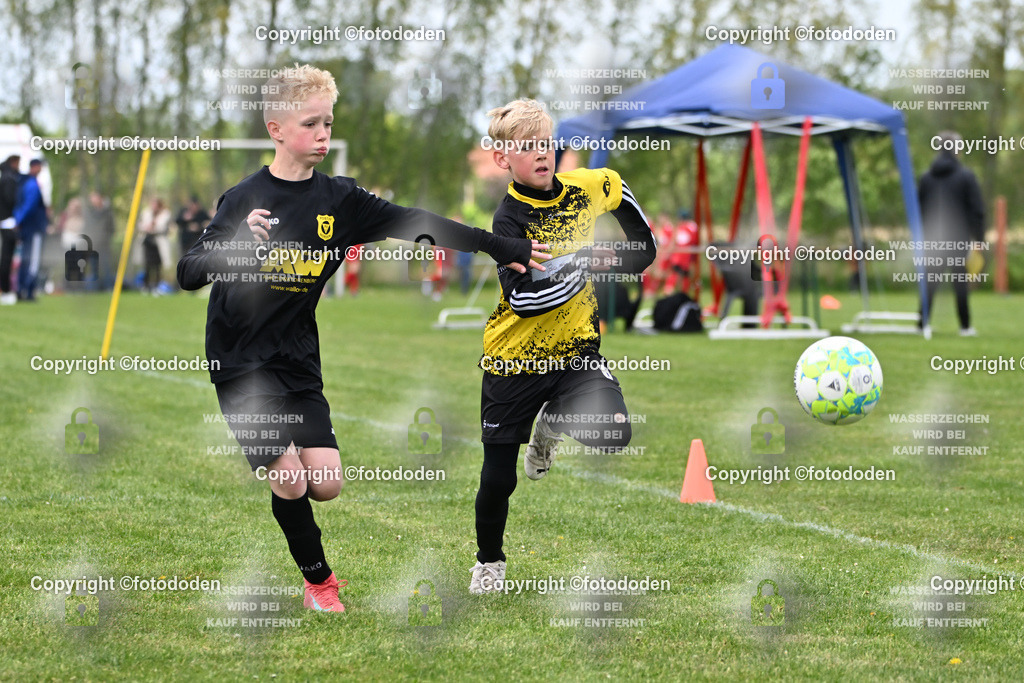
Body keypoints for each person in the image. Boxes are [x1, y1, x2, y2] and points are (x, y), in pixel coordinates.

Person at [176, 64, 548, 613]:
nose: (323, 134)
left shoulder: (342, 200)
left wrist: (500, 246)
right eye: (311, 124)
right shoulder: (244, 199)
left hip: (297, 359)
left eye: (328, 122)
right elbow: (189, 272)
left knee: (325, 483)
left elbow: (416, 221)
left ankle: (306, 527)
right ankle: (320, 584)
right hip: (239, 360)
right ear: (276, 128)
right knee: (288, 479)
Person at [470, 99, 656, 594]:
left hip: (576, 350)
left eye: (546, 142)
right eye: (526, 146)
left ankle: (551, 424)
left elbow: (644, 250)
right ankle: (489, 564)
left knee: (615, 431)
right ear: (502, 159)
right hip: (515, 359)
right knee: (498, 477)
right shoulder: (507, 221)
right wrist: (584, 261)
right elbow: (528, 299)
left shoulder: (589, 187)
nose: (541, 153)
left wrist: (612, 260)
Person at [918, 131, 986, 337]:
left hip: (932, 238)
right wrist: (979, 238)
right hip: (958, 238)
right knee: (960, 282)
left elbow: (918, 208)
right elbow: (977, 210)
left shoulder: (926, 177)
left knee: (930, 282)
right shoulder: (966, 176)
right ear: (956, 149)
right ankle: (965, 327)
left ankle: (922, 323)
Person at [13, 159, 49, 301]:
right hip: (33, 228)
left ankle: (22, 289)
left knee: (25, 258)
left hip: (27, 228)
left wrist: (18, 220)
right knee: (32, 260)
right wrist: (19, 221)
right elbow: (29, 206)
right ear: (35, 167)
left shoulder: (23, 183)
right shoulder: (32, 184)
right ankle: (28, 291)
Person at [138, 198, 172, 294]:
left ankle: (157, 286)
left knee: (157, 266)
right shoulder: (146, 213)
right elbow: (140, 225)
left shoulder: (165, 214)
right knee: (147, 265)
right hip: (147, 242)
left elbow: (164, 228)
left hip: (158, 244)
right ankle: (146, 286)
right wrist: (146, 227)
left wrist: (154, 227)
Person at [84, 190, 116, 290]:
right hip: (92, 244)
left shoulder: (107, 212)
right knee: (94, 267)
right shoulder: (91, 212)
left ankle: (108, 287)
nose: (93, 201)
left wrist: (105, 237)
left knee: (105, 266)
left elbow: (112, 228)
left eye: (94, 198)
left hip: (104, 244)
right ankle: (94, 288)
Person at [0, 155, 21, 305]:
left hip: (5, 220)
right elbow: (10, 200)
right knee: (6, 258)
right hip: (7, 221)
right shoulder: (9, 179)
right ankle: (5, 290)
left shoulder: (6, 176)